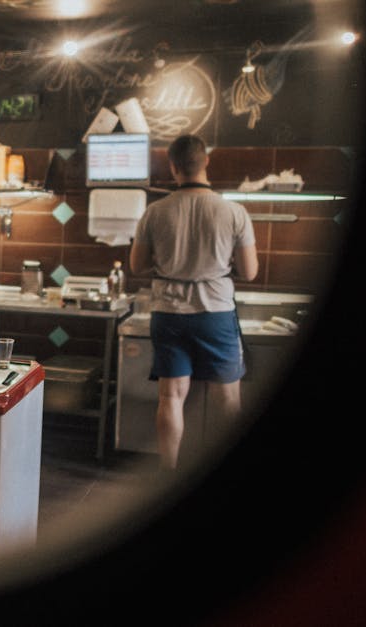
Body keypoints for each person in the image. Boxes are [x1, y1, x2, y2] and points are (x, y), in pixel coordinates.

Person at [129, 134, 259, 471]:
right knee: (227, 400)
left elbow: (137, 266)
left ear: (173, 167)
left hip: (169, 313)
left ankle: (169, 470)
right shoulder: (234, 211)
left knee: (171, 396)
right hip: (216, 313)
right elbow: (249, 271)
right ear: (206, 162)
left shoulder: (154, 212)